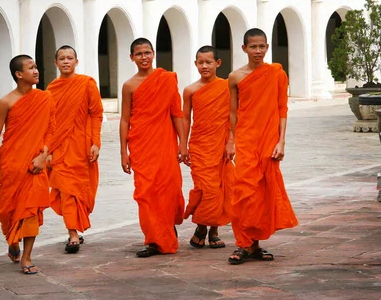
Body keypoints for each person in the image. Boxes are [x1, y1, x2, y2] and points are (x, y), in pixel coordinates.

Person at [226, 28, 298, 265]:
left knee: (263, 193)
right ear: (244, 48)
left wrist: (281, 141)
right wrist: (231, 141)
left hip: (268, 139)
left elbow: (282, 108)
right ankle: (243, 243)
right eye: (253, 46)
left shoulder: (276, 73)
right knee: (244, 191)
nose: (258, 51)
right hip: (246, 139)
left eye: (262, 46)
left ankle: (253, 246)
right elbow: (233, 113)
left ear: (267, 47)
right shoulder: (235, 77)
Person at [0, 54, 55, 274]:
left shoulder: (45, 98)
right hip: (10, 164)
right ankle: (12, 239)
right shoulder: (6, 101)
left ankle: (27, 257)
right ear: (19, 74)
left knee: (31, 211)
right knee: (7, 211)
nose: (36, 71)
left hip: (35, 165)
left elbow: (51, 131)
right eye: (30, 68)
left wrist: (43, 156)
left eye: (36, 67)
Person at [120, 37, 186, 257]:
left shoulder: (166, 79)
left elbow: (177, 113)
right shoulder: (129, 85)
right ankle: (152, 240)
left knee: (169, 188)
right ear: (132, 58)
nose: (144, 57)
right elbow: (124, 119)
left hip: (165, 143)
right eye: (139, 54)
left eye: (147, 52)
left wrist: (182, 144)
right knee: (145, 193)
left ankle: (166, 227)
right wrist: (123, 152)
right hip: (141, 145)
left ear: (153, 53)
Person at [46, 45, 104, 254]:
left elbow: (97, 113)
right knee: (66, 192)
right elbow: (48, 123)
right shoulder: (51, 89)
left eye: (70, 58)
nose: (66, 61)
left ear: (76, 61)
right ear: (56, 62)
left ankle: (74, 229)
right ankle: (72, 234)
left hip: (82, 147)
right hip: (60, 149)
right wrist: (48, 151)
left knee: (79, 192)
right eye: (61, 58)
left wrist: (96, 142)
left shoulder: (86, 84)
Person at [182, 45, 235, 249]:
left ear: (218, 63)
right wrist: (183, 145)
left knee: (220, 187)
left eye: (209, 62)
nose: (204, 66)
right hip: (199, 145)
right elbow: (186, 118)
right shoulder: (190, 90)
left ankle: (210, 230)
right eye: (200, 62)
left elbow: (233, 116)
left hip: (220, 144)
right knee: (204, 188)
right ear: (195, 64)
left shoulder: (227, 86)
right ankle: (204, 228)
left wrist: (231, 142)